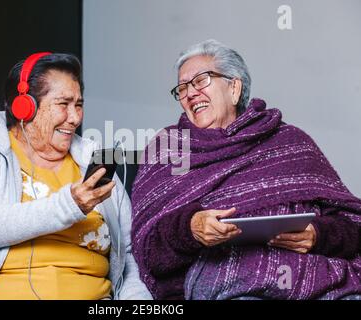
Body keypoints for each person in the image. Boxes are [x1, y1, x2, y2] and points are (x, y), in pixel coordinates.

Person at [131, 39, 361, 300]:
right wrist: (190, 228)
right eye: (182, 88)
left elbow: (353, 226)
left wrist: (318, 235)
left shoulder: (290, 142)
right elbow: (149, 250)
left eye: (201, 80)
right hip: (230, 287)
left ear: (234, 88)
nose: (190, 93)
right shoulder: (169, 148)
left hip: (320, 283)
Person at [0, 52, 152, 300]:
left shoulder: (91, 162)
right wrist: (69, 205)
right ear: (25, 106)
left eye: (79, 105)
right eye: (63, 104)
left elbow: (128, 254)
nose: (75, 118)